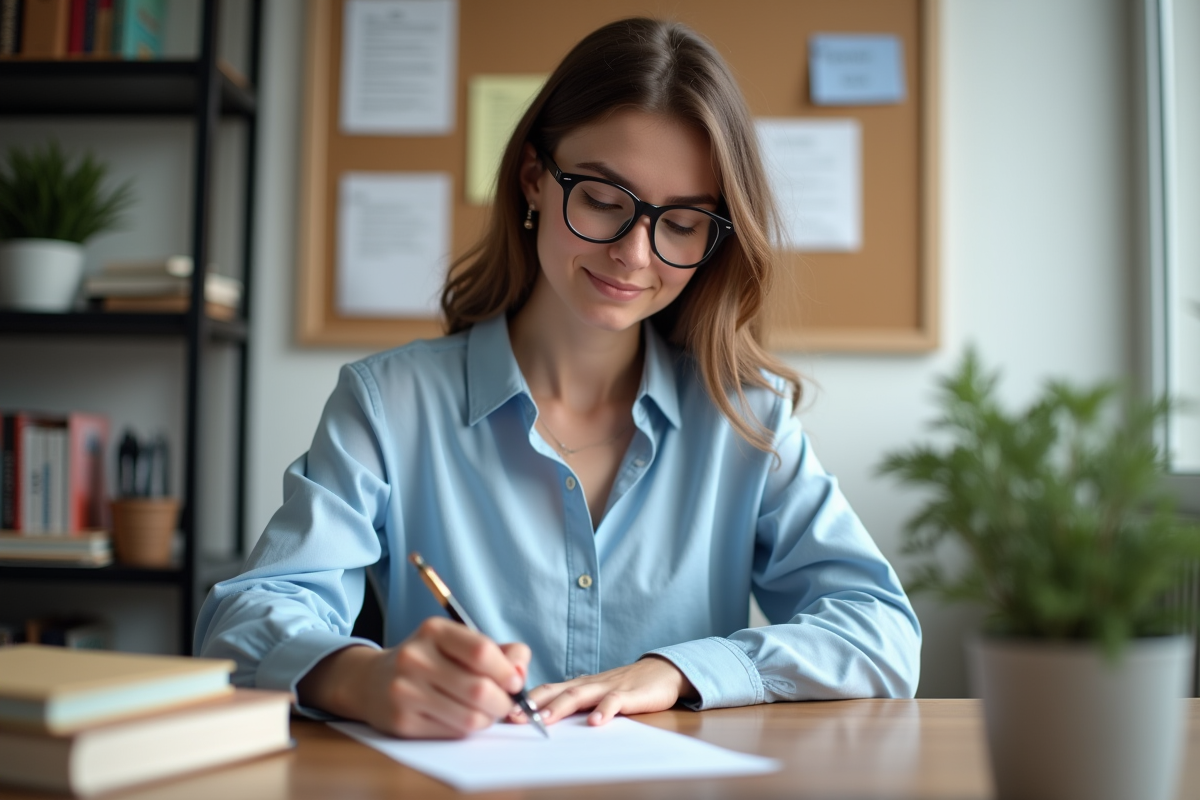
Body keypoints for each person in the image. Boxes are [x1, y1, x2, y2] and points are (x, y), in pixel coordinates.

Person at [195, 16, 921, 740]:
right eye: (604, 200)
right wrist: (363, 677)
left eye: (682, 223)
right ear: (535, 181)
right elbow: (240, 623)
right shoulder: (390, 405)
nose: (636, 255)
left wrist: (679, 671)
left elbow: (882, 630)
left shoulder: (745, 421)